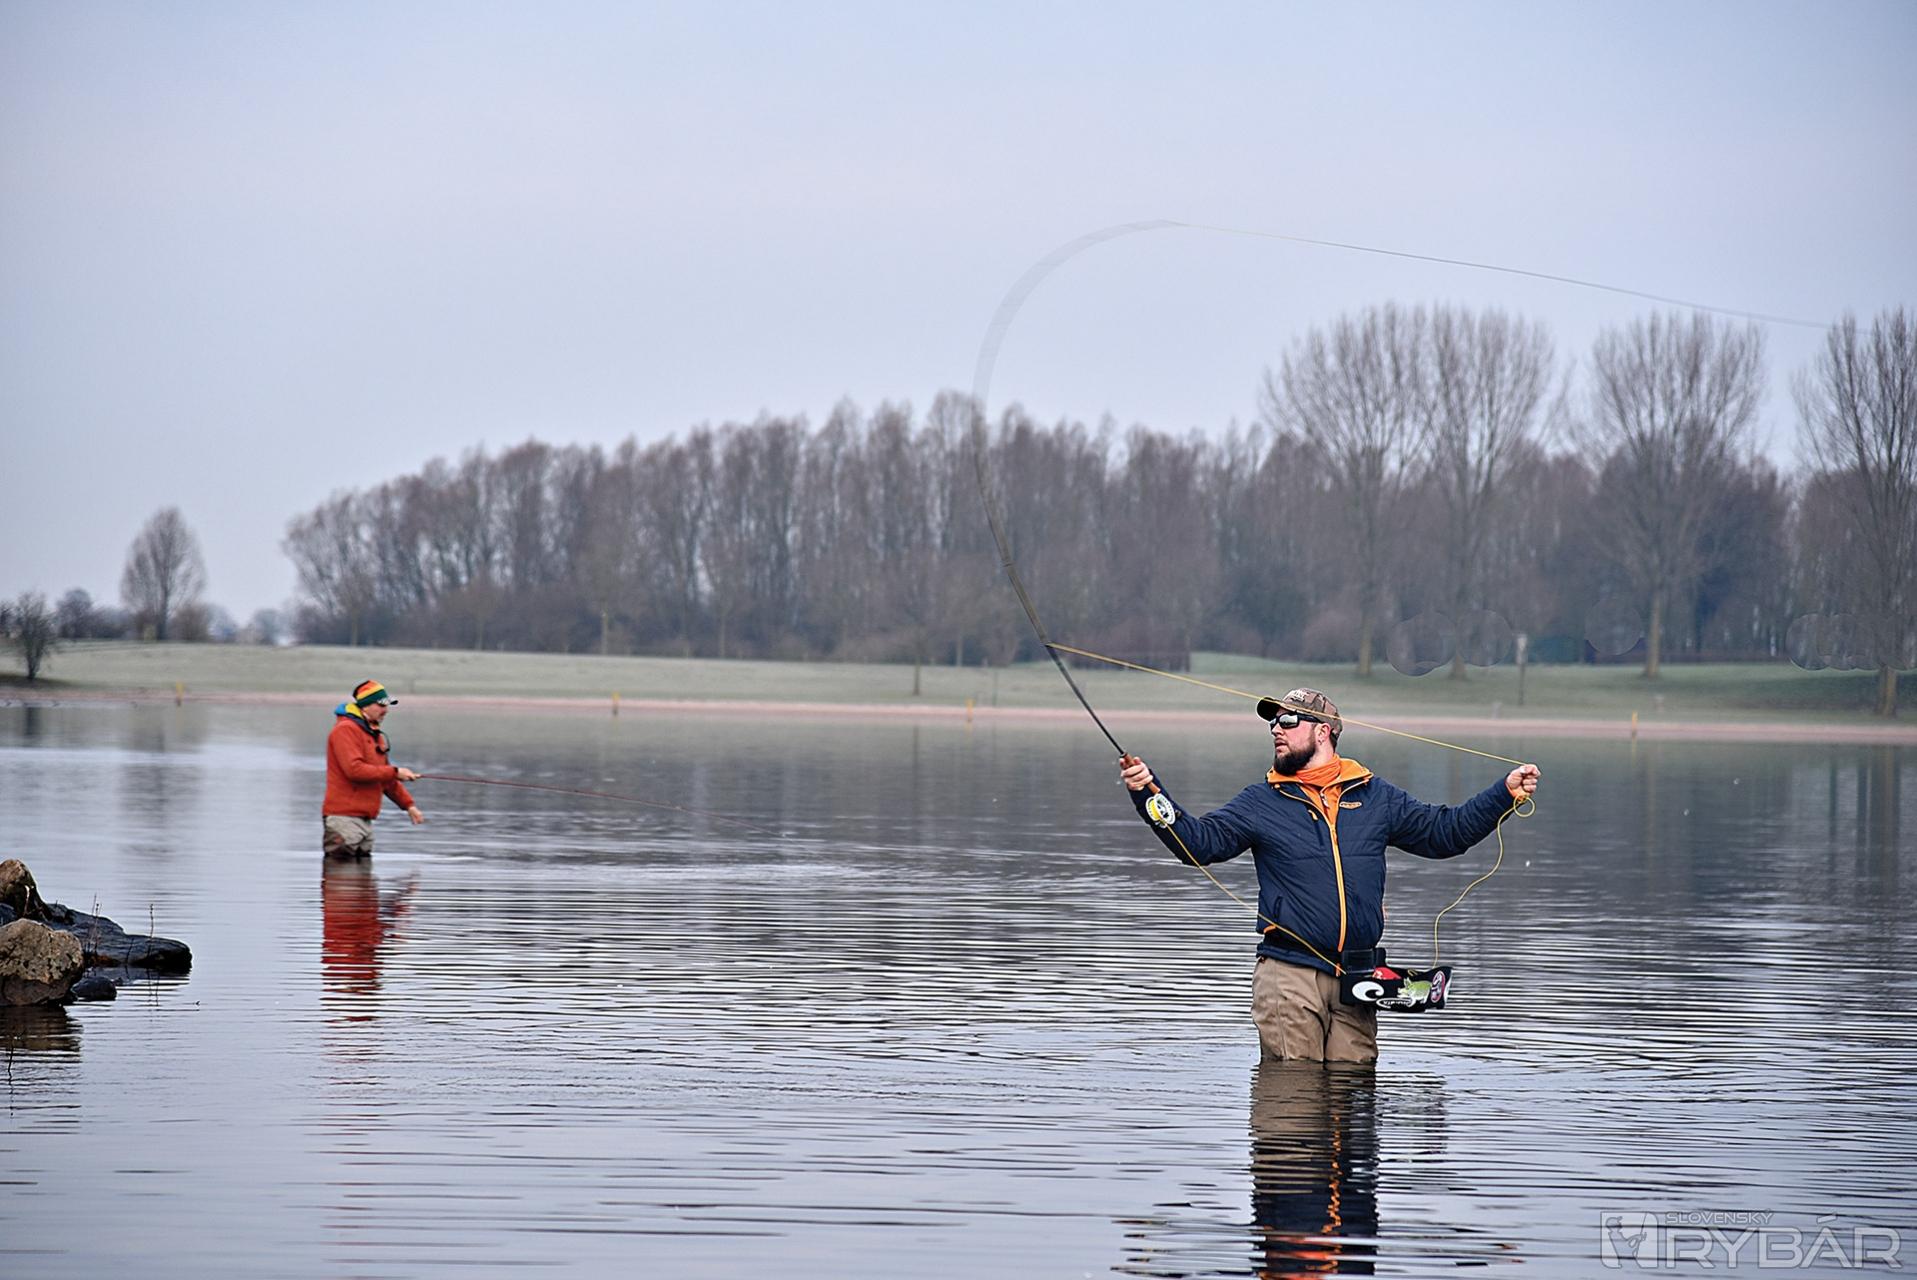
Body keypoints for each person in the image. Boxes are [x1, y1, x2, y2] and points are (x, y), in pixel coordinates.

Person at [1119, 687, 1539, 1063]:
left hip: (1358, 979)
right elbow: (1199, 844)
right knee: (1295, 1102)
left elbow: (1446, 834)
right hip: (1290, 974)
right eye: (1272, 723)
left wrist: (1504, 794)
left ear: (1323, 732)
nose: (1276, 729)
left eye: (1288, 720)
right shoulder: (1260, 801)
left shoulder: (1376, 796)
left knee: (1353, 1101)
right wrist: (1148, 794)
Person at [322, 679, 424, 858]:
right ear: (365, 705)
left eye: (387, 706)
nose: (386, 710)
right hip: (343, 819)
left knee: (361, 874)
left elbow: (385, 778)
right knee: (342, 871)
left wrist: (409, 806)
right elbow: (354, 770)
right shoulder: (345, 730)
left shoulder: (374, 735)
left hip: (365, 821)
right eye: (381, 705)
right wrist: (395, 772)